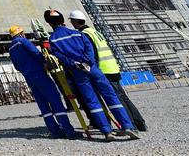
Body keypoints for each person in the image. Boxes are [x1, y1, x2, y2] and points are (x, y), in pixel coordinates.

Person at [47, 9, 140, 141]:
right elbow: (89, 48)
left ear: (49, 24)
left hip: (78, 73)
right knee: (111, 97)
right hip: (93, 69)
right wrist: (87, 62)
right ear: (63, 21)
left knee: (92, 101)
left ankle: (106, 131)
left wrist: (76, 64)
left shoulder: (53, 40)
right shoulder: (77, 34)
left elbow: (60, 56)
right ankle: (127, 126)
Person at [69, 10, 147, 131]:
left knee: (117, 98)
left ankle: (131, 125)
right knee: (122, 96)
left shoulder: (85, 34)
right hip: (112, 67)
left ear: (74, 22)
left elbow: (91, 54)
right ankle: (139, 122)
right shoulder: (94, 31)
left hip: (104, 69)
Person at [7, 24, 79, 139]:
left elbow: (16, 66)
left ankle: (55, 131)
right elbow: (35, 52)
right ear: (20, 33)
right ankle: (68, 131)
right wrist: (44, 63)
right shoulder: (23, 41)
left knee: (43, 104)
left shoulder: (11, 48)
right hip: (39, 73)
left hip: (28, 77)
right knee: (55, 99)